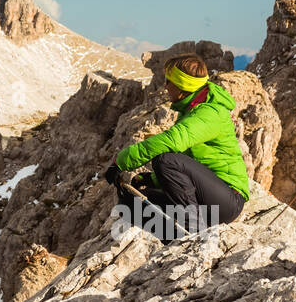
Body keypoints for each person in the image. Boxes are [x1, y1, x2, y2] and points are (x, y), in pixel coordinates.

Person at [105, 54, 248, 237]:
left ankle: (195, 229)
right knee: (131, 205)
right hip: (207, 196)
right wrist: (152, 179)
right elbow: (191, 166)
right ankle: (173, 241)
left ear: (183, 86)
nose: (165, 86)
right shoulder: (193, 109)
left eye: (168, 81)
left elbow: (172, 142)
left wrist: (121, 161)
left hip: (227, 200)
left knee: (165, 159)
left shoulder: (210, 112)